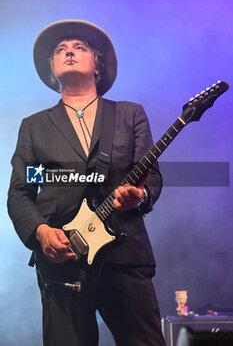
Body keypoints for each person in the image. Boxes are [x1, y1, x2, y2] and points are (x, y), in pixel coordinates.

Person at [8, 19, 165, 346]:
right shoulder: (33, 126)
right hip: (62, 259)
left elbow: (154, 177)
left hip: (124, 253)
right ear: (52, 69)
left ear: (98, 66)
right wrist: (40, 231)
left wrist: (141, 195)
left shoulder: (129, 114)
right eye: (60, 50)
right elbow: (20, 192)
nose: (68, 52)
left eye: (79, 47)